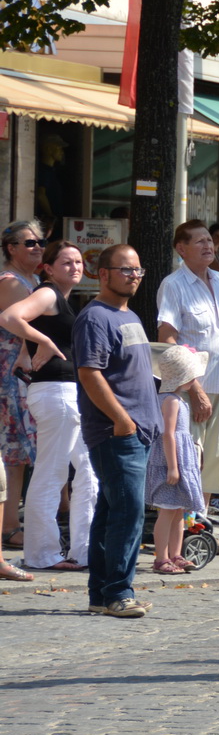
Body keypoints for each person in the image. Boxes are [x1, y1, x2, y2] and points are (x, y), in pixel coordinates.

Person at [75, 244, 162, 618]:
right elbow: (89, 373)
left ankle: (100, 594)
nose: (133, 276)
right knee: (129, 513)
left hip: (138, 433)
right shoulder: (95, 318)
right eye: (125, 270)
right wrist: (122, 421)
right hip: (117, 434)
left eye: (138, 271)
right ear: (103, 273)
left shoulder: (129, 316)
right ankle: (118, 593)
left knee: (111, 514)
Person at [0, 241, 94, 572]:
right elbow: (11, 316)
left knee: (88, 474)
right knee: (53, 473)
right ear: (49, 268)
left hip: (69, 394)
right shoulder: (49, 293)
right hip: (56, 394)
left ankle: (83, 551)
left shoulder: (65, 300)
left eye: (79, 261)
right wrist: (43, 341)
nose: (75, 266)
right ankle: (42, 554)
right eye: (66, 262)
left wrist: (32, 345)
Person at [156, 221, 219, 513]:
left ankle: (200, 526)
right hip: (189, 389)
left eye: (209, 240)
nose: (208, 246)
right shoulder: (173, 285)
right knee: (189, 458)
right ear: (182, 248)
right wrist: (194, 388)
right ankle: (179, 531)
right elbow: (167, 339)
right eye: (200, 241)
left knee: (214, 463)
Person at [0, 218, 44, 573]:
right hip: (10, 374)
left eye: (40, 242)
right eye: (29, 243)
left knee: (19, 455)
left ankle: (11, 522)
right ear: (11, 248)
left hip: (20, 373)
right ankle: (9, 525)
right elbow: (26, 331)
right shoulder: (12, 283)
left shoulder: (33, 281)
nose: (38, 247)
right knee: (12, 454)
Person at [145, 345, 208, 574]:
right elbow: (167, 434)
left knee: (179, 509)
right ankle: (161, 557)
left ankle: (176, 553)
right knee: (167, 510)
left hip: (180, 460)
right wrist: (173, 467)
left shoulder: (178, 400)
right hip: (170, 462)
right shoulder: (170, 400)